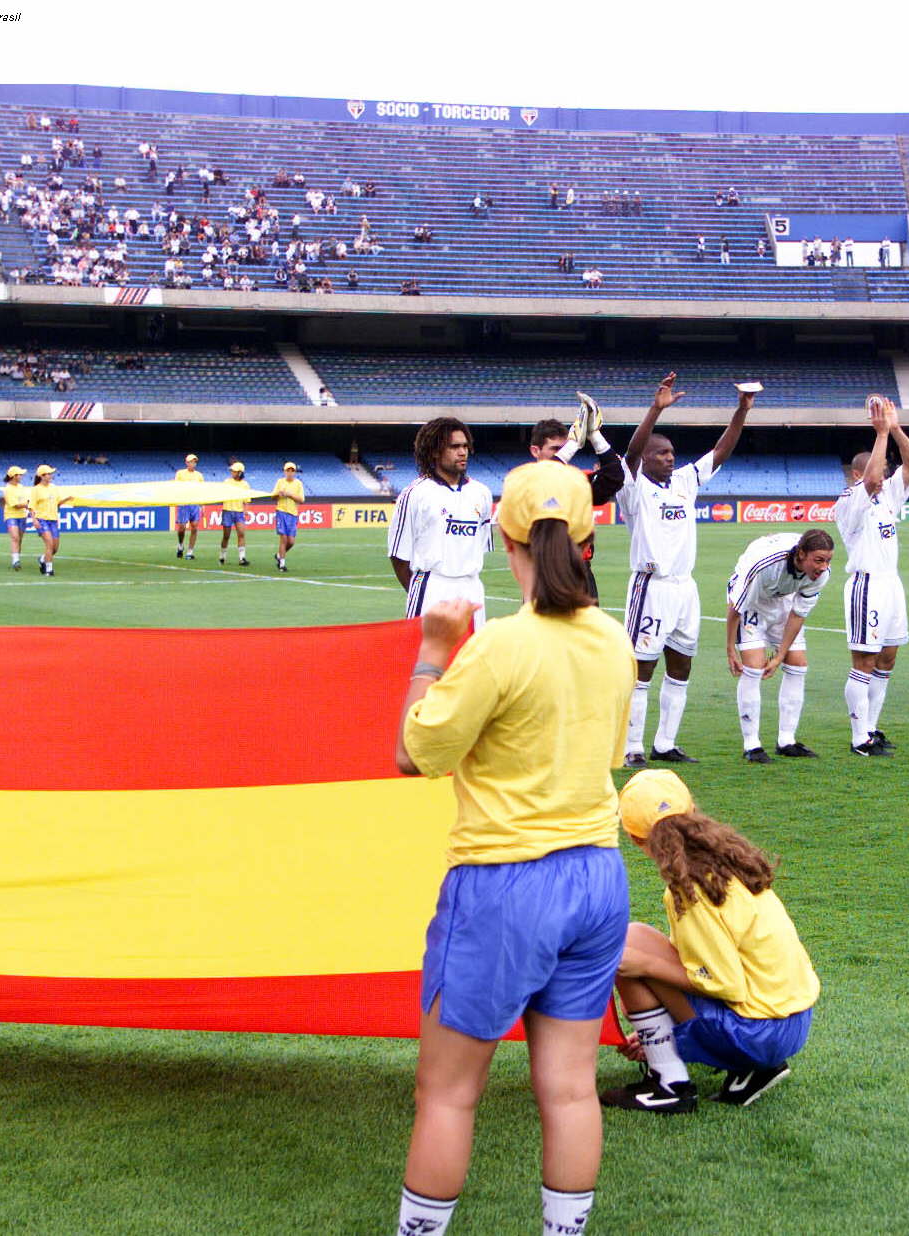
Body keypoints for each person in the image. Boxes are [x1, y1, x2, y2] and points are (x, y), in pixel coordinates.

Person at [392, 461, 635, 1236]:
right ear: (589, 536)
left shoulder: (498, 645)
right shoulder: (613, 639)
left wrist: (432, 651)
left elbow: (414, 752)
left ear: (506, 538)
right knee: (568, 1089)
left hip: (505, 881)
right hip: (597, 877)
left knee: (448, 1092)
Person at [599, 769, 819, 1114]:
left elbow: (725, 984)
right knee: (635, 936)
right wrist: (662, 1030)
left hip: (759, 1035)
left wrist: (645, 967)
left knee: (627, 957)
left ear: (634, 838)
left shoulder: (691, 889)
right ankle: (751, 1070)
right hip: (792, 1023)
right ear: (692, 810)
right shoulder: (729, 862)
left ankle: (669, 1084)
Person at [617, 373, 755, 767]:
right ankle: (632, 747)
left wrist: (741, 411)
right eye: (662, 453)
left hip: (685, 589)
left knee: (681, 665)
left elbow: (720, 452)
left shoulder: (684, 481)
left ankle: (665, 743)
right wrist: (655, 410)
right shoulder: (634, 488)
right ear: (646, 458)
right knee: (641, 668)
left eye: (672, 452)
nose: (670, 457)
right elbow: (629, 456)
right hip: (650, 586)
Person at [833, 397, 909, 756]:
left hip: (891, 585)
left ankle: (871, 727)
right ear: (858, 473)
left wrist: (896, 428)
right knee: (865, 661)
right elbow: (872, 477)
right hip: (866, 585)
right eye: (880, 468)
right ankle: (859, 739)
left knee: (887, 659)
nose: (885, 475)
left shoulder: (888, 495)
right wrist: (880, 433)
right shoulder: (851, 499)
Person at [723, 529, 835, 762]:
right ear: (801, 554)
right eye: (818, 560)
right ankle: (751, 745)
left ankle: (787, 740)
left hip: (782, 599)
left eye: (827, 560)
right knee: (753, 667)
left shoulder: (821, 574)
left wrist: (781, 654)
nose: (823, 566)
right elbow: (735, 607)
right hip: (752, 600)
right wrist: (730, 649)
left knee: (798, 664)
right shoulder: (764, 567)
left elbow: (797, 614)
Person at [388, 419, 494, 630]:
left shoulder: (481, 493)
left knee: (471, 658)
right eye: (454, 447)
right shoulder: (416, 494)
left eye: (465, 446)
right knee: (427, 659)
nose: (462, 452)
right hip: (432, 586)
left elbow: (481, 546)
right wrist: (421, 593)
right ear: (435, 452)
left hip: (472, 588)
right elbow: (399, 557)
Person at [531, 397, 623, 600]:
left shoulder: (576, 480)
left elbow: (615, 478)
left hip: (581, 573)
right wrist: (572, 444)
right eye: (556, 449)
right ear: (535, 451)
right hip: (545, 574)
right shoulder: (525, 482)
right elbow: (546, 476)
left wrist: (594, 435)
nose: (564, 454)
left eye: (565, 448)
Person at [28, 464, 75, 577]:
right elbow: (31, 506)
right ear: (42, 476)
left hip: (53, 520)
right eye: (48, 474)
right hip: (42, 519)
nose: (50, 476)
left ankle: (43, 559)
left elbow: (57, 502)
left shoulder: (54, 488)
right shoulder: (36, 489)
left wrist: (67, 499)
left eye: (50, 474)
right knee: (49, 544)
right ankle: (48, 569)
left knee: (55, 548)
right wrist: (34, 520)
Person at [273, 462, 305, 572]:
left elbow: (301, 499)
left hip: (293, 514)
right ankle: (282, 564)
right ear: (284, 471)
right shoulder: (280, 482)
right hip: (281, 512)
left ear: (295, 472)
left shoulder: (298, 484)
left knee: (291, 542)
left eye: (292, 470)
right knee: (283, 539)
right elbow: (273, 496)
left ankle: (279, 555)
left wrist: (290, 495)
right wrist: (279, 494)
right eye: (288, 470)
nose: (290, 473)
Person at [218, 461, 251, 565]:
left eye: (235, 471)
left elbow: (246, 500)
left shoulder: (245, 485)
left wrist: (246, 511)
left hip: (239, 512)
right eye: (232, 471)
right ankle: (222, 556)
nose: (232, 472)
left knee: (241, 534)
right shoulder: (227, 482)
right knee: (226, 535)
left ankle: (242, 558)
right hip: (227, 510)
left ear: (240, 473)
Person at [173, 453, 205, 559]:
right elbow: (176, 487)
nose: (193, 463)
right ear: (186, 463)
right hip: (184, 503)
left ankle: (190, 552)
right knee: (181, 527)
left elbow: (202, 491)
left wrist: (202, 505)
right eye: (191, 461)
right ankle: (181, 545)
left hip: (195, 504)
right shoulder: (180, 474)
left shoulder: (199, 475)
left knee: (195, 527)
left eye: (194, 461)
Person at [0, 465, 30, 570]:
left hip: (22, 515)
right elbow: (15, 504)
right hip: (11, 515)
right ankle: (15, 560)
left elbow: (26, 500)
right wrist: (27, 505)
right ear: (14, 476)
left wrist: (27, 504)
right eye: (19, 474)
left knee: (19, 539)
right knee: (15, 537)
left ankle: (16, 558)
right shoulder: (8, 489)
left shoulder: (21, 487)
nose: (21, 476)